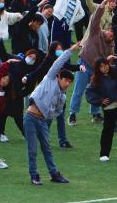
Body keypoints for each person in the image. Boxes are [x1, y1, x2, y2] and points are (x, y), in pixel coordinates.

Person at [24, 39, 81, 185]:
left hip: (43, 120)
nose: (67, 83)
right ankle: (34, 175)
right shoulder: (50, 78)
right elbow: (58, 63)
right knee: (32, 149)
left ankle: (54, 174)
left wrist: (48, 115)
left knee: (47, 148)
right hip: (30, 117)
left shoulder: (62, 97)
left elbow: (58, 111)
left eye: (70, 82)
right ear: (59, 77)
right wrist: (71, 50)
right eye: (65, 80)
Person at [85, 54, 117, 161]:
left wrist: (116, 57)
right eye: (101, 67)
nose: (105, 68)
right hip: (109, 107)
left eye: (106, 65)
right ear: (98, 69)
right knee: (108, 130)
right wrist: (100, 100)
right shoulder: (96, 79)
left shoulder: (116, 70)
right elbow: (88, 93)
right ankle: (104, 154)